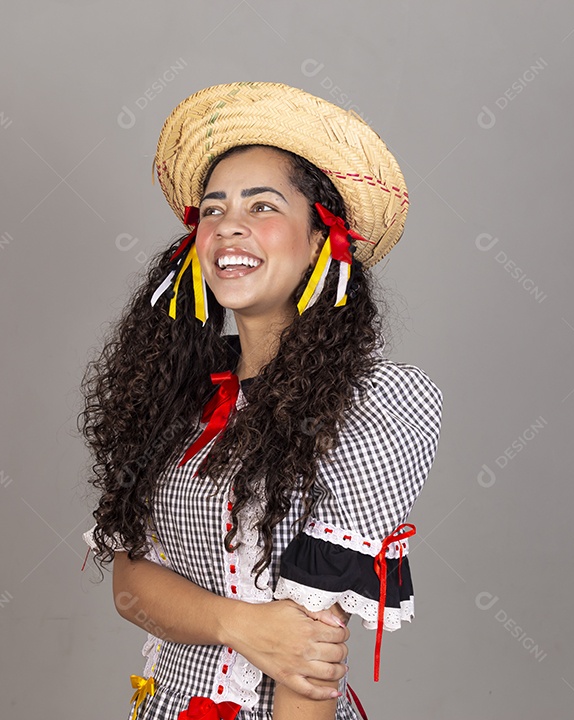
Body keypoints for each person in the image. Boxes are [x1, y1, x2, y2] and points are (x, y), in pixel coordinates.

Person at [80, 82, 443, 720]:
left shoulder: (375, 398)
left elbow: (309, 655)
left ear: (320, 239)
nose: (229, 226)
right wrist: (241, 624)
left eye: (263, 206)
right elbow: (131, 587)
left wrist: (244, 628)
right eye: (212, 209)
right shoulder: (178, 388)